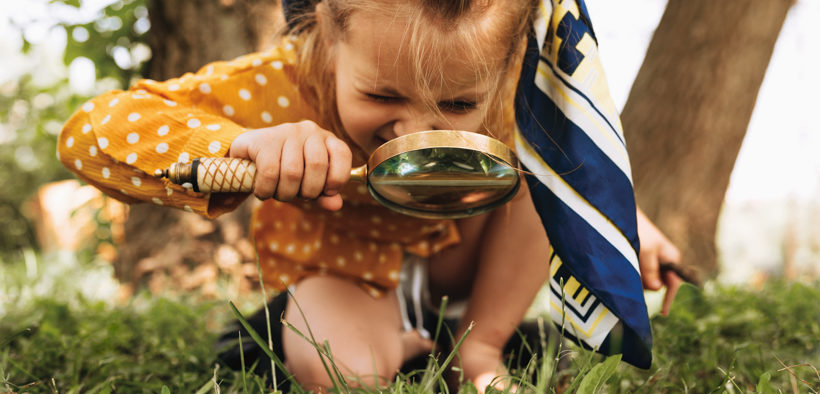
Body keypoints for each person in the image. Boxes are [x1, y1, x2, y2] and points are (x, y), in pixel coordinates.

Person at [57, 0, 682, 391]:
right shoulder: (281, 83)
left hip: (456, 263)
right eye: (383, 98)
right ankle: (400, 343)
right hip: (343, 275)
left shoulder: (521, 85)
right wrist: (239, 144)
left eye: (459, 104)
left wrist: (627, 222)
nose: (416, 130)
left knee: (544, 167)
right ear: (327, 35)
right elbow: (88, 136)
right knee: (346, 373)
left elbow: (571, 164)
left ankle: (481, 348)